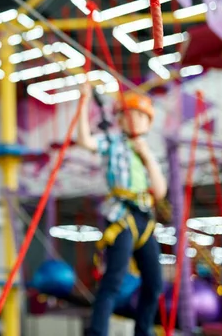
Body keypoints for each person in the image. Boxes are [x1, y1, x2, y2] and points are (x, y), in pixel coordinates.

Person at [77, 83, 167, 336]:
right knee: (113, 280)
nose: (135, 121)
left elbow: (159, 191)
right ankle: (98, 332)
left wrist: (146, 157)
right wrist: (83, 102)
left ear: (148, 123)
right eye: (129, 115)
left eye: (141, 117)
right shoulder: (113, 143)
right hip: (120, 214)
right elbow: (85, 141)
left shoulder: (149, 152)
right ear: (119, 119)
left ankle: (143, 331)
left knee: (154, 283)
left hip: (144, 218)